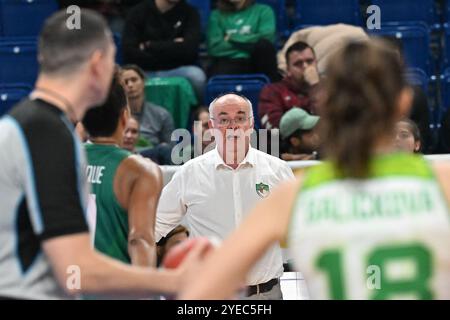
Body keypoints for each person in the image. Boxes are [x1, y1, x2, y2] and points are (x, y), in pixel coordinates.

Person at [180, 40, 450, 300]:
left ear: (326, 103)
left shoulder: (290, 196)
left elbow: (200, 293)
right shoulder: (443, 182)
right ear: (403, 102)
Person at [0, 9, 207, 300]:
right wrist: (175, 282)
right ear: (98, 63)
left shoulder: (33, 124)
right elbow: (78, 266)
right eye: (113, 60)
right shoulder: (46, 132)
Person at [156, 93, 295, 300]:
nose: (232, 126)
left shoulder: (278, 170)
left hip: (265, 293)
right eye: (224, 119)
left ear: (251, 124)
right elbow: (154, 227)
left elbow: (299, 227)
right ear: (211, 126)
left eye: (240, 118)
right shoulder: (189, 173)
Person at [82, 75, 162, 268]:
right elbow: (140, 239)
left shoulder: (60, 160)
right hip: (113, 286)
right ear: (125, 116)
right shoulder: (141, 170)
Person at [122, 0, 206, 101]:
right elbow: (129, 51)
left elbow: (190, 50)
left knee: (197, 76)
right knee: (126, 78)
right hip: (144, 70)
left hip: (176, 69)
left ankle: (198, 112)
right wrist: (174, 45)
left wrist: (150, 46)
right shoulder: (138, 12)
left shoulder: (190, 13)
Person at [207, 0, 281, 82]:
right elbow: (214, 48)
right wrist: (250, 44)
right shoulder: (216, 15)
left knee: (264, 47)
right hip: (228, 62)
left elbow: (267, 38)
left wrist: (231, 38)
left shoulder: (264, 11)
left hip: (257, 61)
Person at [259, 41, 321, 132]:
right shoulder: (272, 91)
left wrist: (316, 87)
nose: (306, 66)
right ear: (288, 70)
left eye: (310, 61)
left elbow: (337, 120)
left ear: (316, 63)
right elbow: (273, 128)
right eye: (298, 63)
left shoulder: (330, 87)